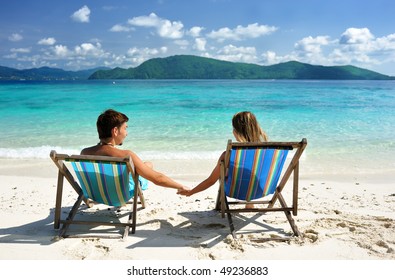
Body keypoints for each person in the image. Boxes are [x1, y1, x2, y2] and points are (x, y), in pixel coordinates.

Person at [81, 109, 189, 193]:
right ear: (115, 131)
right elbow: (157, 179)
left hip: (95, 193)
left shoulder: (84, 153)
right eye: (125, 128)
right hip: (121, 193)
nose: (126, 133)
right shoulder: (126, 155)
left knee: (147, 164)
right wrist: (180, 186)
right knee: (148, 166)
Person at [178, 111, 268, 201]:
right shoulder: (266, 152)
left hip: (237, 191)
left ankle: (242, 202)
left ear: (236, 131)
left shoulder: (229, 155)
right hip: (260, 190)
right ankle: (249, 204)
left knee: (224, 171)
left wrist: (191, 192)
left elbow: (211, 180)